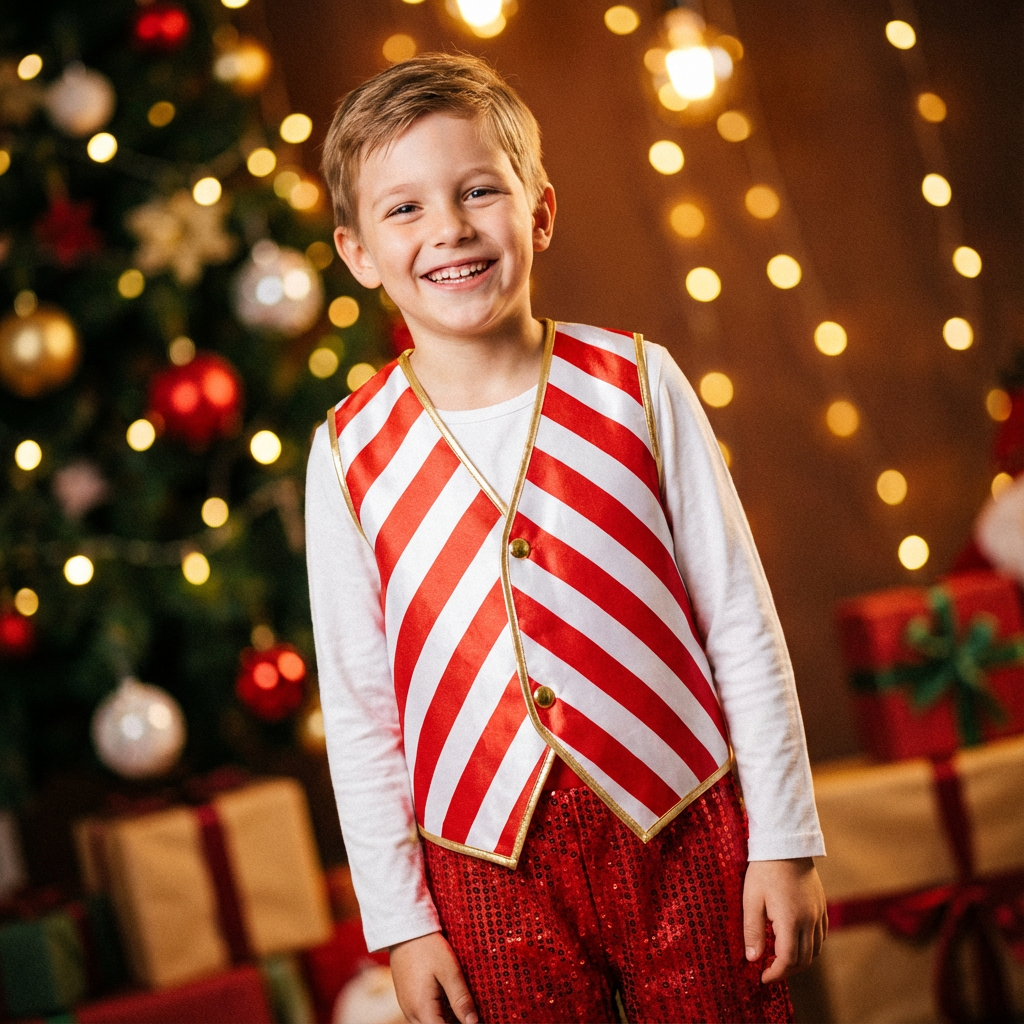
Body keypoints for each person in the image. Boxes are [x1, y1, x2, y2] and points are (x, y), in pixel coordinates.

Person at [306, 52, 827, 1024]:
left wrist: (783, 840)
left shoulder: (638, 381)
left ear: (538, 211)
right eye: (404, 208)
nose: (450, 228)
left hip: (682, 825)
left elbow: (739, 620)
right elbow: (359, 704)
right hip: (483, 864)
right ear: (359, 253)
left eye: (476, 191)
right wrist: (400, 922)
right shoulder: (348, 452)